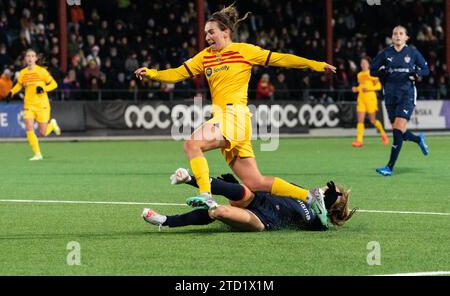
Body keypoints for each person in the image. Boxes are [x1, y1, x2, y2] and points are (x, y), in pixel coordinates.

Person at [135, 4, 336, 228]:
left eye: (211, 32)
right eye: (205, 33)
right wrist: (152, 73)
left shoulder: (244, 51)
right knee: (255, 182)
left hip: (235, 116)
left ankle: (205, 195)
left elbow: (281, 59)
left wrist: (315, 65)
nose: (207, 37)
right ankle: (310, 196)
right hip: (227, 120)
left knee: (192, 144)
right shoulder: (205, 57)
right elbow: (177, 73)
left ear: (225, 31)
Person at [142, 168, 356, 232]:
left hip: (261, 221)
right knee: (241, 191)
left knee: (218, 212)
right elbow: (270, 186)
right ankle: (190, 179)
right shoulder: (303, 192)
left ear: (329, 204)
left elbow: (324, 223)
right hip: (257, 200)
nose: (321, 190)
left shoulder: (318, 221)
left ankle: (165, 220)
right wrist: (236, 182)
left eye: (328, 193)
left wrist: (328, 204)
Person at [370, 26, 430, 176]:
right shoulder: (386, 53)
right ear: (392, 36)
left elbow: (425, 70)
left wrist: (416, 74)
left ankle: (389, 167)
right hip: (390, 95)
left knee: (397, 131)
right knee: (400, 132)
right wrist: (380, 72)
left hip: (407, 95)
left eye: (401, 33)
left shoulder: (412, 53)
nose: (397, 36)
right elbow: (372, 70)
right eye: (395, 33)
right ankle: (418, 139)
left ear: (406, 38)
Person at [3, 49, 61, 160]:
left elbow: (54, 84)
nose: (30, 58)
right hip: (29, 105)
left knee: (43, 133)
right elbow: (19, 85)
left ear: (35, 58)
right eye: (28, 56)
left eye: (32, 56)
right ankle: (37, 154)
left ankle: (52, 125)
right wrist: (11, 92)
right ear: (25, 59)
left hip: (42, 105)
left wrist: (44, 88)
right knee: (29, 127)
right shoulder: (23, 72)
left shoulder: (42, 71)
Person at [351, 57, 388, 147]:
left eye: (365, 63)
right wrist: (356, 89)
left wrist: (369, 88)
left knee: (372, 120)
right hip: (361, 98)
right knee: (360, 120)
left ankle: (383, 133)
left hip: (370, 98)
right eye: (362, 63)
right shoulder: (359, 75)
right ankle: (359, 141)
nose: (363, 64)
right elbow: (361, 86)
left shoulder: (372, 74)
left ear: (368, 64)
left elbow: (379, 86)